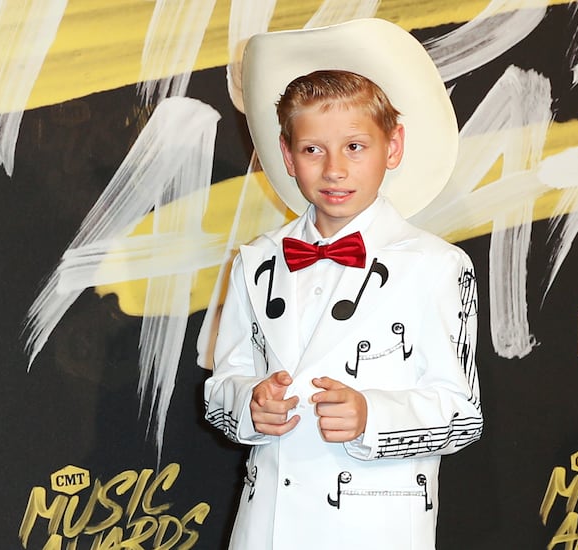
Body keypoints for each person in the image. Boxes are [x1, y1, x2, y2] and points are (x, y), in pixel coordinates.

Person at [201, 18, 483, 550]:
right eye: (313, 150)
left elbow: (460, 415)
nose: (334, 169)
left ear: (392, 147)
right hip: (267, 530)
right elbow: (220, 390)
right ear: (287, 156)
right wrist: (249, 406)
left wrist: (370, 416)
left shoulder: (437, 266)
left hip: (376, 530)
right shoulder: (255, 261)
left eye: (355, 146)